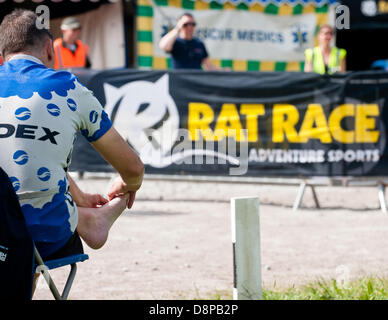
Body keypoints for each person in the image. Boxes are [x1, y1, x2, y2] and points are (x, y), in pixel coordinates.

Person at [0, 9, 144, 283]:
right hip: (41, 232)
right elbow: (133, 167)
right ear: (48, 49)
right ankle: (88, 220)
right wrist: (128, 184)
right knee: (28, 225)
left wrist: (78, 194)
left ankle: (83, 215)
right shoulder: (66, 88)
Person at [158, 13, 224, 70]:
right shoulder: (175, 42)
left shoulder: (199, 44)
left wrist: (223, 71)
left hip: (194, 81)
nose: (189, 27)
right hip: (178, 81)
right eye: (186, 24)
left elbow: (208, 66)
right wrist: (177, 28)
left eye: (192, 24)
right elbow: (163, 46)